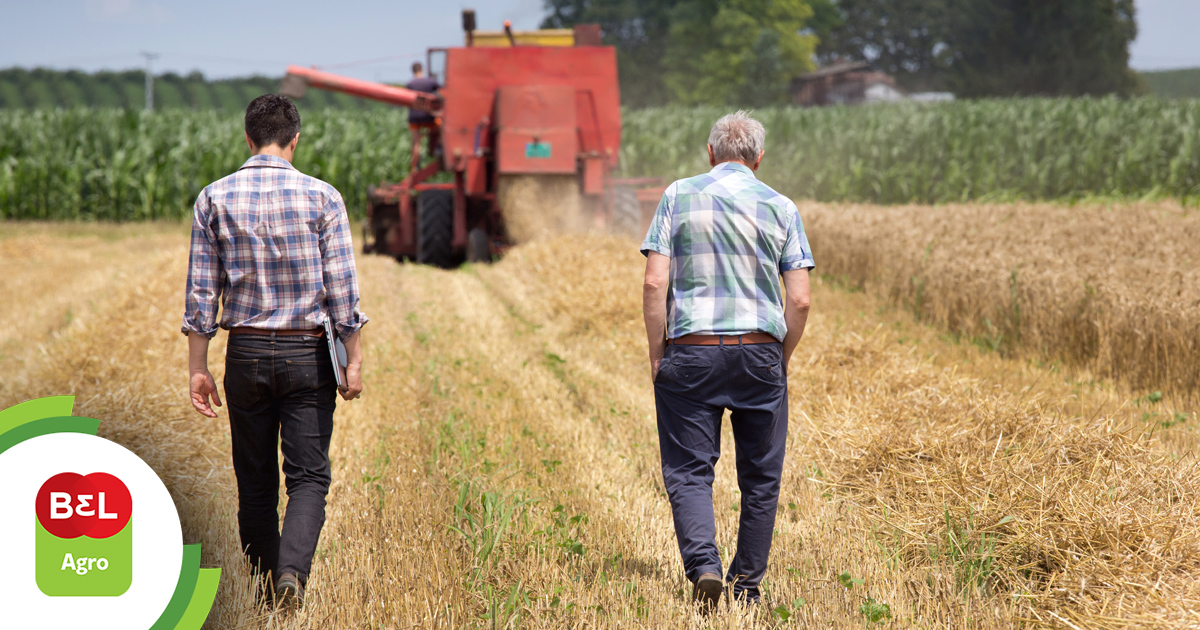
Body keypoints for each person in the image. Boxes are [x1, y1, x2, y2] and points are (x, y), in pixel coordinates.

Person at [182, 94, 368, 609]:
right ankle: (291, 576)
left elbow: (202, 294)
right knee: (308, 476)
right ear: (295, 139)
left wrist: (198, 368)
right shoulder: (323, 198)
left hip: (243, 355)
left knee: (255, 479)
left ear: (247, 138)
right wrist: (353, 359)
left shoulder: (213, 198)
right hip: (305, 354)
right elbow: (344, 293)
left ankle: (266, 596)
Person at [640, 110, 814, 611]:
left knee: (690, 471)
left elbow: (655, 282)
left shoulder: (678, 194)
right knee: (760, 476)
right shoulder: (782, 206)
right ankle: (748, 586)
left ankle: (704, 567)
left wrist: (659, 352)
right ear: (759, 158)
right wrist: (778, 358)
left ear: (710, 153)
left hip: (691, 352)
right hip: (760, 351)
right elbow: (799, 299)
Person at [405, 62, 441, 159]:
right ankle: (437, 147)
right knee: (441, 126)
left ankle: (416, 165)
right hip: (428, 116)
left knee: (416, 143)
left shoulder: (410, 84)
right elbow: (441, 91)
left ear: (413, 71)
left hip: (414, 117)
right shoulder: (430, 82)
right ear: (422, 69)